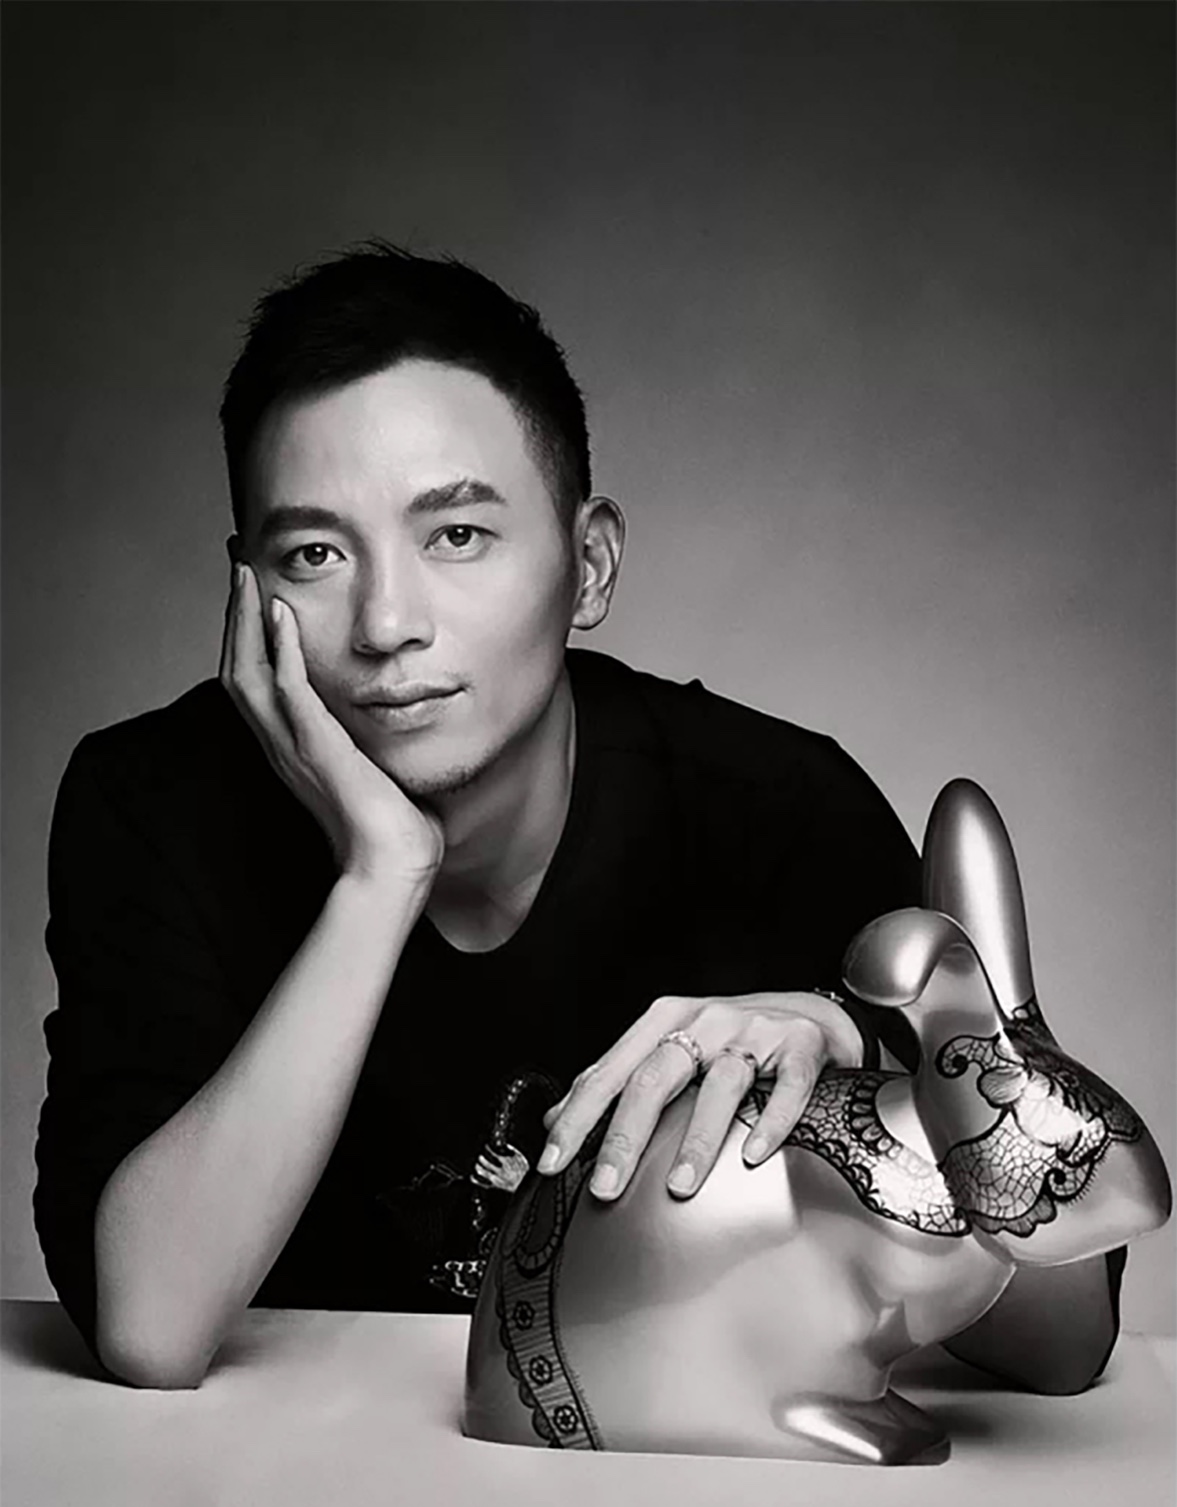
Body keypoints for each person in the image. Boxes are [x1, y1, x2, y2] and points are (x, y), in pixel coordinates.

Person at [33, 243, 1125, 1391]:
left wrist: (859, 1065)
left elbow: (1063, 1344)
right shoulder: (153, 802)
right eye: (314, 553)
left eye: (456, 535)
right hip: (280, 1482)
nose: (386, 622)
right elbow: (152, 1325)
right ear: (250, 593)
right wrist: (380, 875)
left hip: (666, 1483)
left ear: (588, 563)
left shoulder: (769, 807)